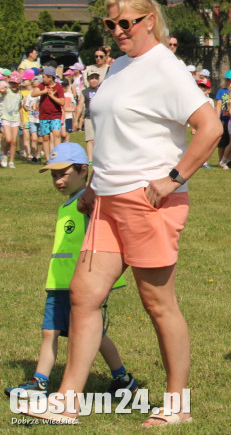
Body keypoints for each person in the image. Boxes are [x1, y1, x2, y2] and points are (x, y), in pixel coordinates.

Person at [26, 0, 221, 426]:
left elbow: (209, 128)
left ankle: (176, 406)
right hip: (107, 200)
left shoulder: (164, 67)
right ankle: (67, 400)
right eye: (111, 23)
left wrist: (173, 180)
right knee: (84, 295)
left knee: (158, 303)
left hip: (147, 203)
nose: (117, 30)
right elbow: (115, 132)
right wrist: (95, 186)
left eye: (126, 22)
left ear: (150, 20)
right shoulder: (118, 67)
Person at [4, 143, 138, 402]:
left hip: (85, 282)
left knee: (93, 335)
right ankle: (40, 382)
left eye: (63, 174)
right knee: (49, 332)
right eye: (54, 176)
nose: (57, 181)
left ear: (82, 170)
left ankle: (122, 379)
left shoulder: (90, 203)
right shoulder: (67, 205)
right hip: (57, 283)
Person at [31, 66, 65, 165]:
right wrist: (44, 92)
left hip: (55, 115)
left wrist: (52, 96)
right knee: (45, 137)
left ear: (50, 78)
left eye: (44, 76)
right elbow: (33, 94)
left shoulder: (58, 87)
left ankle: (57, 157)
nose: (42, 78)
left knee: (57, 134)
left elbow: (62, 102)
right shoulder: (42, 86)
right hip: (44, 116)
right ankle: (47, 159)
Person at [214, 69, 231, 167]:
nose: (228, 82)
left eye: (230, 80)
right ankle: (221, 160)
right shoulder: (221, 91)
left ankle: (229, 160)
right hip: (223, 120)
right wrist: (217, 119)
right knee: (222, 143)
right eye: (227, 80)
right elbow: (218, 106)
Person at [2, 72, 24, 168]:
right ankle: (3, 155)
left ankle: (11, 161)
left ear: (19, 83)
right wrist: (3, 88)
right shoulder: (7, 91)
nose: (13, 85)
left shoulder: (20, 95)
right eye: (12, 83)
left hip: (15, 118)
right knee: (8, 139)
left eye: (15, 83)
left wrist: (22, 121)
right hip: (5, 117)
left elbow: (20, 108)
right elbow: (2, 90)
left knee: (14, 141)